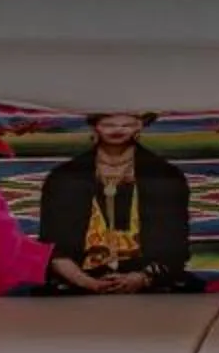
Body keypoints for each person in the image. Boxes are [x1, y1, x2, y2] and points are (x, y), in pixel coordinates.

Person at [38, 111, 199, 293]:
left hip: (149, 279)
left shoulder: (165, 176)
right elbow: (53, 247)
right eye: (109, 125)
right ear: (95, 126)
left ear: (140, 126)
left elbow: (175, 245)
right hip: (78, 278)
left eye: (126, 125)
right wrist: (88, 283)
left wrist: (142, 278)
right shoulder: (64, 178)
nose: (117, 130)